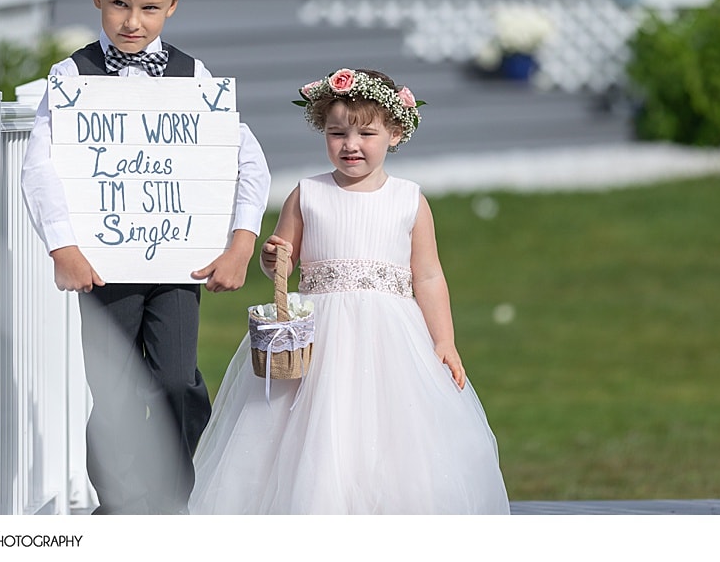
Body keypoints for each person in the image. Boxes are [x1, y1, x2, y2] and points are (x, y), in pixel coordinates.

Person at [21, 0, 271, 514]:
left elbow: (247, 159)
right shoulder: (71, 78)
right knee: (112, 392)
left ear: (173, 5)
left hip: (177, 263)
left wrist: (239, 241)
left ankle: (175, 499)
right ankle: (118, 506)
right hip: (103, 266)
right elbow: (40, 167)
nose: (133, 22)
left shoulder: (194, 79)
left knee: (175, 379)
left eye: (150, 8)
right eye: (119, 4)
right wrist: (63, 246)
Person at [188, 68, 510, 514]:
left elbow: (429, 275)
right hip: (321, 338)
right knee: (314, 429)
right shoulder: (308, 194)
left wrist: (444, 340)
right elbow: (284, 259)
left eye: (366, 133)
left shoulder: (409, 200)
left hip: (392, 337)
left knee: (390, 430)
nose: (350, 144)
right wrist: (272, 258)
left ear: (396, 133)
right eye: (337, 132)